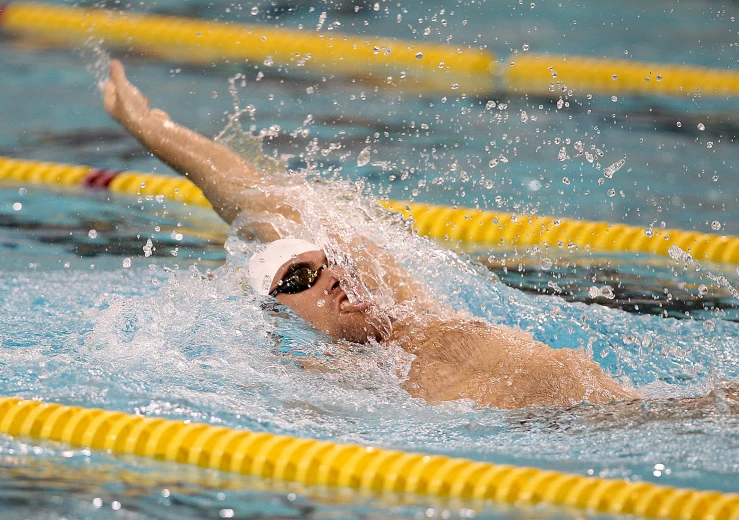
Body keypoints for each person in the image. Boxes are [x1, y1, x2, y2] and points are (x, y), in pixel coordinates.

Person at [103, 59, 641, 410]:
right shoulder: (328, 380)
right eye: (299, 280)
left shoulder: (403, 302)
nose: (328, 279)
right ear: (278, 313)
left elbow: (250, 194)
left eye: (325, 262)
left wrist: (153, 130)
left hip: (616, 406)